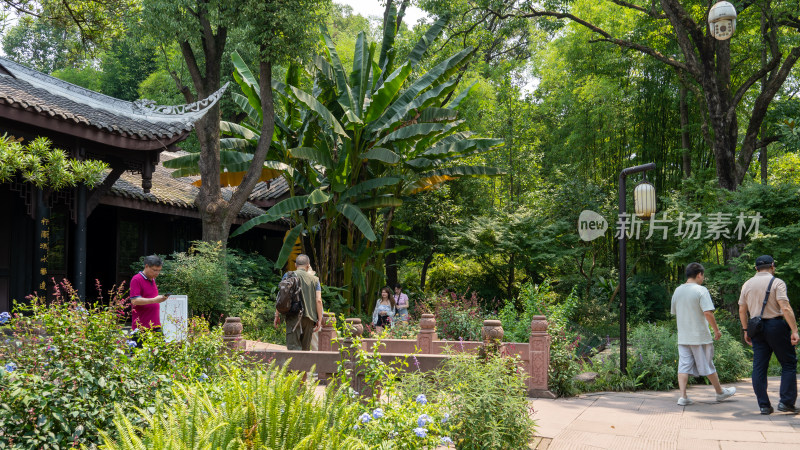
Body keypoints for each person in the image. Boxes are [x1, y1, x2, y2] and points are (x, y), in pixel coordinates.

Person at [738, 255, 799, 415]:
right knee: (788, 363)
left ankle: (764, 406)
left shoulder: (747, 284)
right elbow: (785, 307)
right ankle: (786, 402)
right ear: (772, 266)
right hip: (776, 325)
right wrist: (794, 330)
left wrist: (746, 330)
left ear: (756, 268)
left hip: (756, 327)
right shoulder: (777, 282)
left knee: (759, 366)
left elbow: (742, 310)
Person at [670, 262, 736, 406]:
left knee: (683, 366)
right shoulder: (701, 290)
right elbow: (708, 312)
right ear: (699, 274)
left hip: (683, 336)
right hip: (699, 336)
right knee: (707, 364)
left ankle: (683, 396)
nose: (703, 278)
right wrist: (716, 330)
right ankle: (719, 393)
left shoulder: (677, 291)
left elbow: (675, 312)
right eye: (702, 276)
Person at [274, 254, 323, 351]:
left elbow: (282, 296)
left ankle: (294, 366)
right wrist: (320, 319)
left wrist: (277, 315)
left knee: (293, 350)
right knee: (305, 351)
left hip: (293, 317)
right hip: (309, 319)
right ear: (308, 265)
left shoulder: (288, 275)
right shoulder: (315, 280)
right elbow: (318, 300)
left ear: (296, 265)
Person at [129, 255, 169, 345]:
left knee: (162, 355)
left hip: (155, 325)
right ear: (146, 266)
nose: (157, 273)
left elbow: (150, 298)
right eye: (155, 270)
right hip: (141, 327)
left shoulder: (152, 279)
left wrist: (160, 298)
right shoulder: (136, 279)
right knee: (138, 357)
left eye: (159, 270)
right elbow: (135, 301)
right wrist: (155, 300)